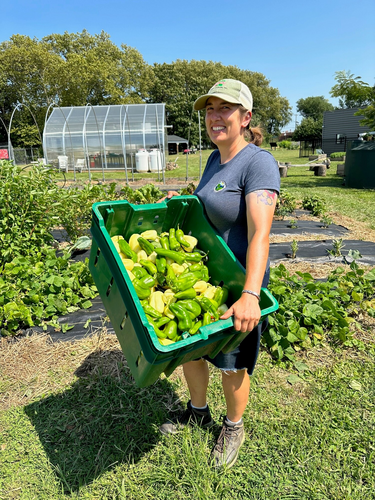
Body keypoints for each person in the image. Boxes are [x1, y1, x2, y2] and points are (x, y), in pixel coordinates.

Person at [158, 79, 280, 468]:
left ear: (245, 118)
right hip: (205, 277)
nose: (215, 117)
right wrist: (180, 202)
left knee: (232, 363)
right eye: (210, 109)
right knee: (192, 350)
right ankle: (197, 411)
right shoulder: (214, 158)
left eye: (225, 109)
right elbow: (205, 204)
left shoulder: (257, 162)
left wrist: (250, 294)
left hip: (238, 284)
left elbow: (261, 233)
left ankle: (233, 425)